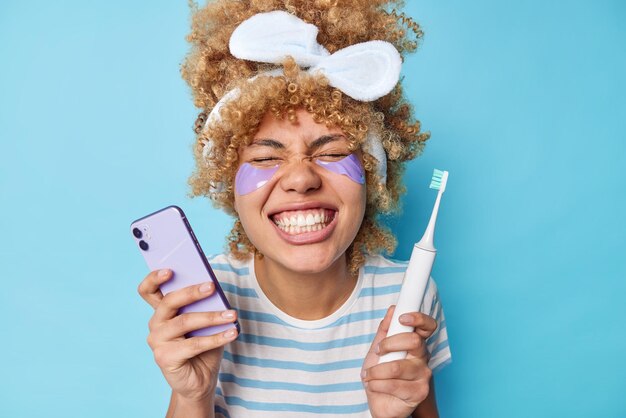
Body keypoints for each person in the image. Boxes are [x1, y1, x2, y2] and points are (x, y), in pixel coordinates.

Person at [137, 2, 451, 417]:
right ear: (228, 184)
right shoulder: (205, 303)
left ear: (372, 175)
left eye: (333, 152)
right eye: (266, 158)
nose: (300, 179)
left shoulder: (407, 294)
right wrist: (194, 395)